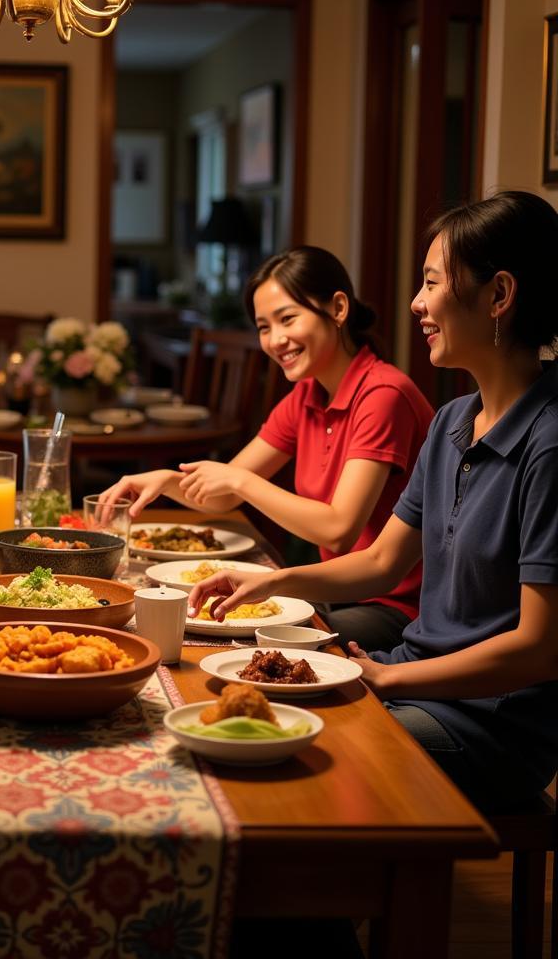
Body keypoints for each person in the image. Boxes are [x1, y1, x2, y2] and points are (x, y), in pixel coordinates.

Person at [189, 191, 558, 812]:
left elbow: (539, 648)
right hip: (413, 676)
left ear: (499, 296)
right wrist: (268, 581)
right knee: (235, 708)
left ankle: (328, 908)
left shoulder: (548, 442)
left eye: (433, 281)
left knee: (296, 754)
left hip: (491, 723)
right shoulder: (452, 422)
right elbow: (382, 562)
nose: (416, 302)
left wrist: (385, 678)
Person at [100, 246, 434, 652]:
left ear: (339, 308)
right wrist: (166, 479)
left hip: (400, 608)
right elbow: (221, 494)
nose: (276, 340)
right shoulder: (307, 395)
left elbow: (339, 529)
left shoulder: (383, 394)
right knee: (198, 619)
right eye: (263, 326)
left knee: (247, 643)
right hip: (338, 589)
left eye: (287, 318)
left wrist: (241, 482)